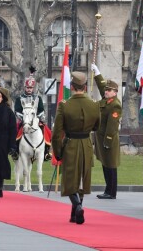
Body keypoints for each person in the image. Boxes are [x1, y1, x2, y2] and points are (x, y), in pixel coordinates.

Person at [52, 71, 100, 225]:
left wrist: (57, 152)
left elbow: (56, 133)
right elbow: (97, 126)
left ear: (72, 86)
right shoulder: (94, 104)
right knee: (82, 177)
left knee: (70, 179)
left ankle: (77, 206)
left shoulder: (64, 105)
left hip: (71, 143)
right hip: (86, 143)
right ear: (85, 87)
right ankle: (75, 214)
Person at [91, 63, 122, 199]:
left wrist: (108, 141)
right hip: (101, 138)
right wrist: (97, 73)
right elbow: (102, 85)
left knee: (111, 165)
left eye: (109, 91)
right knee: (105, 164)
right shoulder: (107, 99)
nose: (106, 92)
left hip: (108, 140)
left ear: (115, 92)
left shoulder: (115, 105)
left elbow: (112, 125)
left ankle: (111, 191)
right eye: (106, 90)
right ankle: (107, 190)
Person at [14, 66, 52, 161]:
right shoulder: (19, 98)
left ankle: (46, 151)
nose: (29, 89)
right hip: (23, 120)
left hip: (35, 120)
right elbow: (17, 111)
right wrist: (24, 119)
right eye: (28, 87)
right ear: (25, 87)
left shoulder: (37, 98)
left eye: (31, 87)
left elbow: (41, 109)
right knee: (15, 130)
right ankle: (15, 150)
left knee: (47, 131)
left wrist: (39, 117)